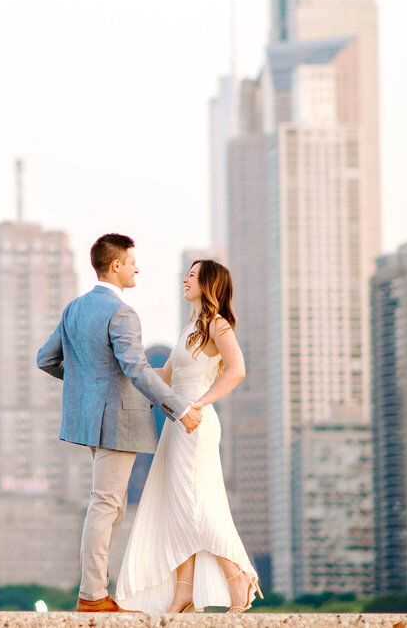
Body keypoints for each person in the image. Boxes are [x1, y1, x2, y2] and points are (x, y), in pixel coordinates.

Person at [37, 232, 202, 613]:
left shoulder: (74, 309)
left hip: (91, 422)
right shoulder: (122, 313)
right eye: (131, 262)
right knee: (105, 505)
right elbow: (137, 370)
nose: (136, 268)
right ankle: (93, 596)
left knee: (111, 506)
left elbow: (46, 359)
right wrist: (178, 408)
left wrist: (89, 386)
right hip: (117, 423)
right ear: (115, 266)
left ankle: (97, 592)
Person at [115, 258, 261, 613]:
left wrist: (197, 403)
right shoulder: (189, 328)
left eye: (192, 276)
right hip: (176, 425)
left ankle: (237, 574)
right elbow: (162, 377)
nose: (184, 279)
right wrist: (120, 377)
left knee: (197, 507)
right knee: (181, 508)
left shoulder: (218, 324)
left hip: (195, 425)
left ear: (208, 283)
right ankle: (184, 593)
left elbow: (237, 371)